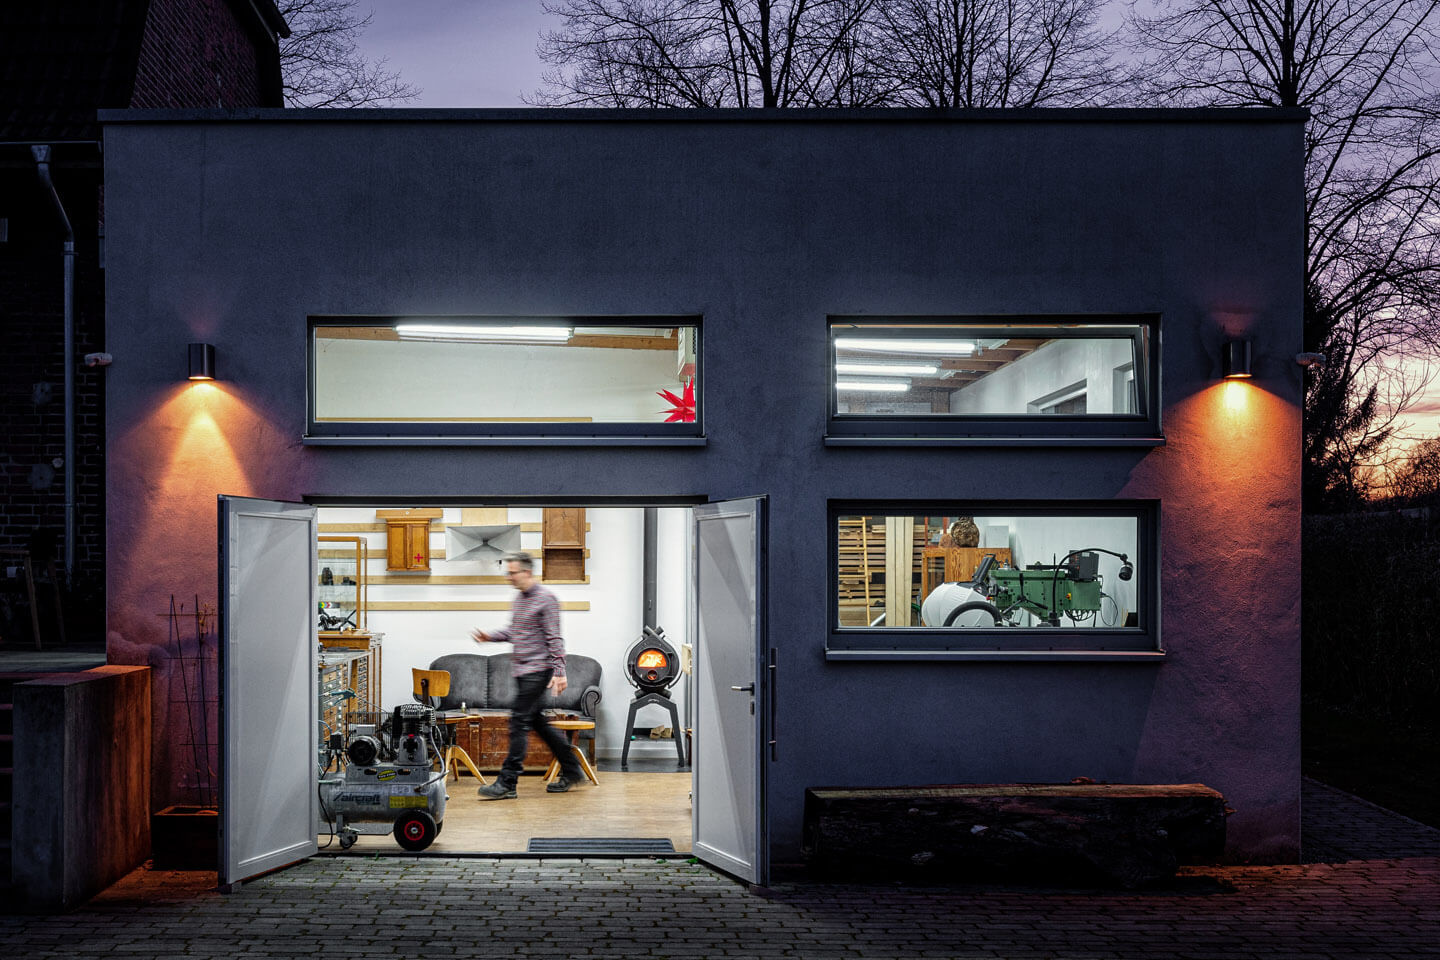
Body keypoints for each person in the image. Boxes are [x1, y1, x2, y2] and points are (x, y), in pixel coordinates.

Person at [471, 551, 586, 799]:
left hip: (538, 671)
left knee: (518, 723)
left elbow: (555, 638)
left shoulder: (546, 599)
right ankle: (572, 770)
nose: (509, 577)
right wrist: (490, 636)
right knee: (539, 724)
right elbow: (515, 632)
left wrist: (560, 672)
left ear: (527, 572)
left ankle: (507, 782)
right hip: (522, 672)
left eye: (513, 573)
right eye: (508, 573)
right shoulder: (519, 600)